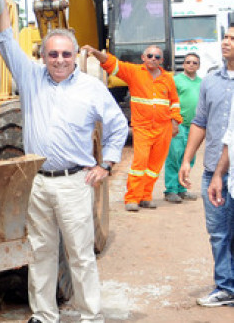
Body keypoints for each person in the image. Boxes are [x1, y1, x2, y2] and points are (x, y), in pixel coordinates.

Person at [0, 0, 127, 323]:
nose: (59, 60)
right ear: (43, 55)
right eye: (52, 54)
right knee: (40, 252)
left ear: (75, 55)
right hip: (38, 182)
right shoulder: (29, 77)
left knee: (80, 253)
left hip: (75, 182)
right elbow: (7, 40)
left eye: (66, 54)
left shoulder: (91, 88)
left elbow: (118, 125)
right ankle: (44, 314)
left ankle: (89, 313)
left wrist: (107, 165)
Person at [82, 44, 182, 211]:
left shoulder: (167, 79)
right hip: (143, 127)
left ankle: (145, 196)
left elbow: (174, 102)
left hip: (163, 128)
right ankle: (132, 198)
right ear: (143, 58)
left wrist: (175, 122)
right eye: (149, 55)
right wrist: (96, 52)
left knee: (154, 167)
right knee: (140, 164)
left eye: (157, 57)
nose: (153, 59)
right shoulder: (135, 72)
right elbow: (113, 64)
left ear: (161, 60)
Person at [180, 26, 234, 307]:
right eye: (225, 37)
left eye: (232, 39)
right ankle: (225, 287)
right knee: (218, 233)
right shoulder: (210, 82)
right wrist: (188, 159)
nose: (226, 42)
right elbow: (199, 122)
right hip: (214, 169)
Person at [164, 52, 201, 203]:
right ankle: (171, 190)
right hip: (177, 124)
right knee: (174, 156)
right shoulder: (175, 81)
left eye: (194, 62)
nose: (191, 64)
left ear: (199, 65)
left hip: (194, 126)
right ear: (183, 64)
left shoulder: (202, 82)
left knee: (188, 158)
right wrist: (172, 121)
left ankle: (182, 189)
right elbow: (168, 101)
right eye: (188, 62)